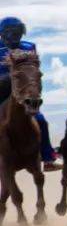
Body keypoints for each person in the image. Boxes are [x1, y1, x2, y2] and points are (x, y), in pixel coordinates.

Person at [0, 16, 61, 170]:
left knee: (40, 120)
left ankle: (48, 159)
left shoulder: (29, 46)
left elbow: (34, 69)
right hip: (2, 90)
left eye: (19, 31)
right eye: (12, 32)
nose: (15, 35)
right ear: (3, 33)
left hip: (21, 92)